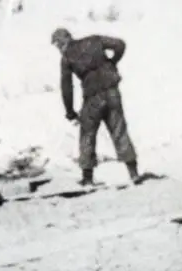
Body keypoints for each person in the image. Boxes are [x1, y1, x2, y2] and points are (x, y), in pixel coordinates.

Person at [50, 27, 142, 186]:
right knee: (119, 130)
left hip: (93, 97)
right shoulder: (94, 40)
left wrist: (70, 112)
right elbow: (120, 44)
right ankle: (133, 173)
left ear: (61, 43)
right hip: (112, 92)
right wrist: (112, 62)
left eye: (57, 45)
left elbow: (67, 87)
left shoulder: (66, 57)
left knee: (87, 134)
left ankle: (87, 178)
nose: (58, 49)